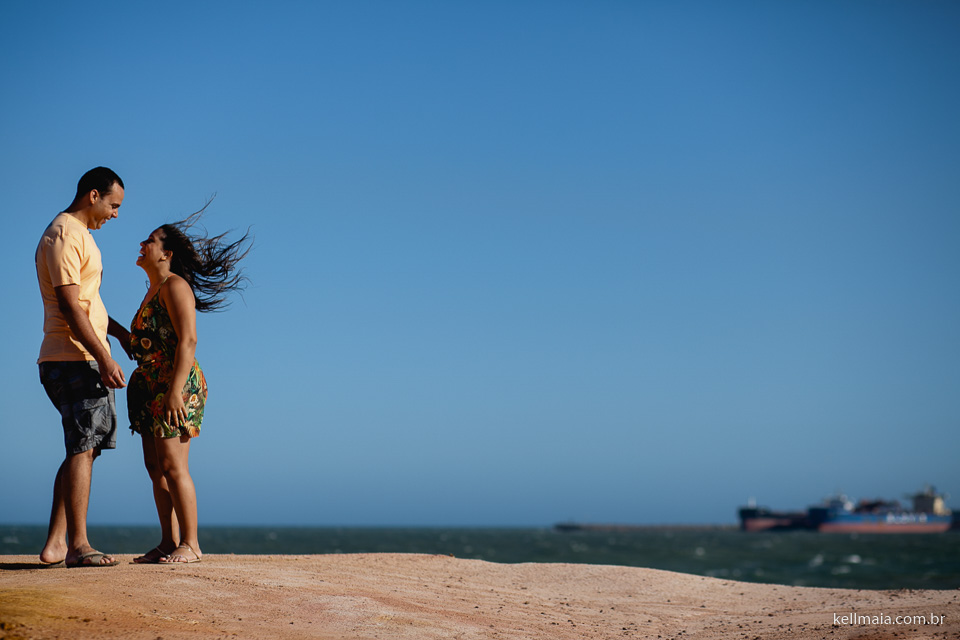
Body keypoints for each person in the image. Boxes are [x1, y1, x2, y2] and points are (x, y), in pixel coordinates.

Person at [128, 205, 250, 564]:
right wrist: (106, 323)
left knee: (173, 464)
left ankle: (191, 544)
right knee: (155, 467)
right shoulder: (152, 291)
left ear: (166, 253)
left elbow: (188, 341)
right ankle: (169, 541)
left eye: (149, 241)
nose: (142, 244)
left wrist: (175, 390)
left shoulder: (175, 286)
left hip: (175, 384)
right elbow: (142, 345)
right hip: (150, 384)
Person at [36, 166, 130, 568]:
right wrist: (104, 357)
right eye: (113, 205)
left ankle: (57, 543)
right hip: (71, 356)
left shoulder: (82, 237)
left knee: (84, 447)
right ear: (93, 195)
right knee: (83, 446)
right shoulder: (64, 235)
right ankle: (78, 546)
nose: (115, 213)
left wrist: (120, 334)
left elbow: (89, 301)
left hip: (82, 353)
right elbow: (70, 307)